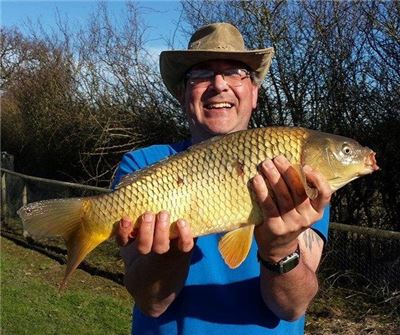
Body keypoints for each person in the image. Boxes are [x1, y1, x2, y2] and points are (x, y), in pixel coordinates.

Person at [112, 22, 332, 335]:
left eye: (235, 72)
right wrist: (173, 251)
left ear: (254, 93)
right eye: (201, 74)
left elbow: (291, 307)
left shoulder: (298, 176)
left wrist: (279, 251)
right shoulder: (144, 167)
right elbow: (152, 303)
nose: (219, 84)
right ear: (182, 93)